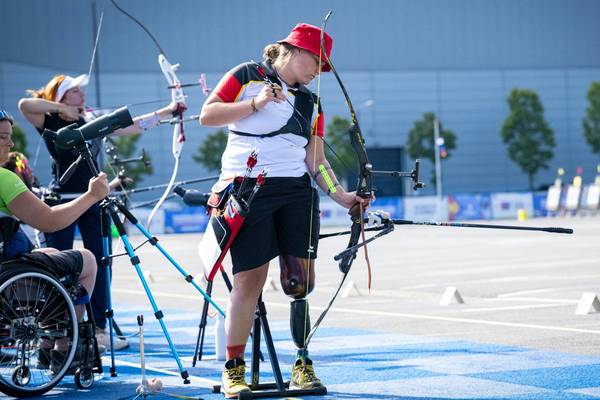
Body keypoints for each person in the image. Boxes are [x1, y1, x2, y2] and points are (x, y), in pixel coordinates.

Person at [200, 23, 370, 398]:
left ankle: (302, 364)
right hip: (248, 190)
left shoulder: (312, 102)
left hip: (295, 193)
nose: (318, 70)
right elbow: (207, 115)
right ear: (294, 50)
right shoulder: (246, 76)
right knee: (249, 280)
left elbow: (316, 159)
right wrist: (255, 104)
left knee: (300, 282)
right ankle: (234, 369)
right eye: (316, 61)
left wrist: (341, 196)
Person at [18, 74, 179, 350]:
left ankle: (100, 330)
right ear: (63, 96)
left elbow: (131, 125)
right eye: (76, 92)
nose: (82, 95)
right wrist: (60, 109)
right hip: (63, 200)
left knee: (102, 263)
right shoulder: (51, 120)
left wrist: (168, 111)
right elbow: (24, 105)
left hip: (94, 201)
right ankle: (56, 331)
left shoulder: (90, 118)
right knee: (58, 265)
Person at [0, 109, 110, 368]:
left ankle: (47, 347)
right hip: (9, 278)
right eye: (4, 137)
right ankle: (65, 347)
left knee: (49, 255)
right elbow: (50, 220)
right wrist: (93, 195)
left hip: (8, 269)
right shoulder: (4, 178)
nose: (11, 144)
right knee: (87, 261)